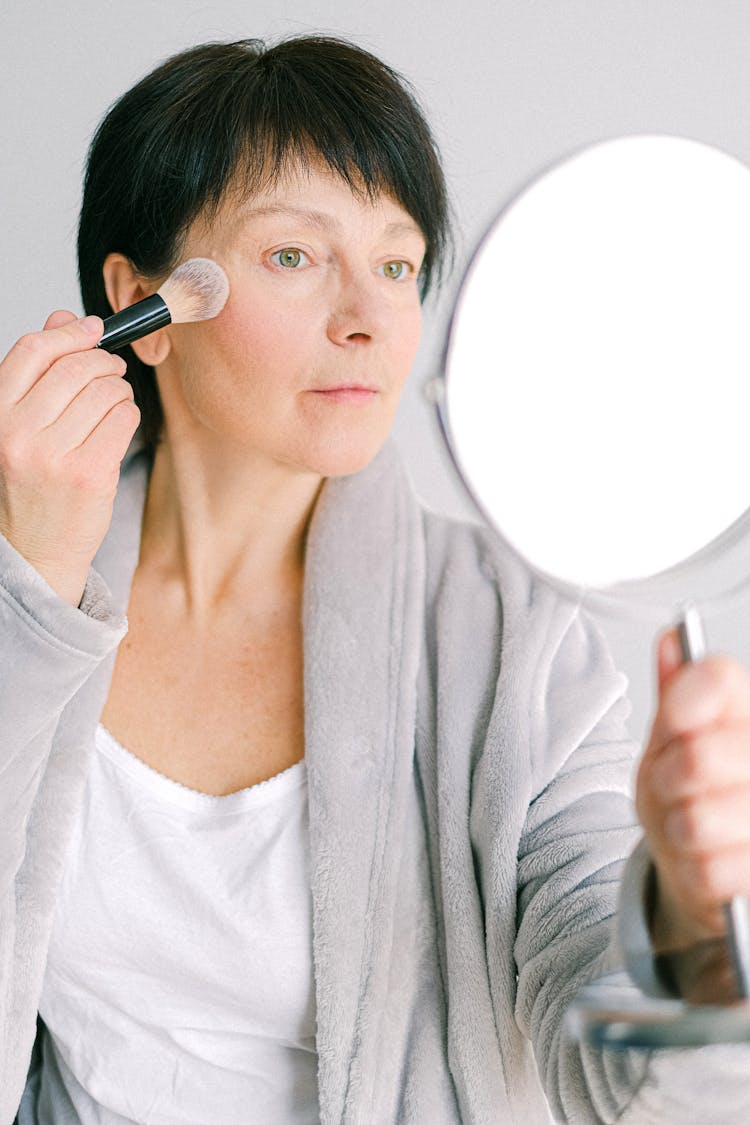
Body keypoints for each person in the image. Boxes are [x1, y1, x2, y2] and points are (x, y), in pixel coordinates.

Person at [1, 34, 750, 1125]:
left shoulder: (509, 636)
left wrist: (686, 920)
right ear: (142, 304)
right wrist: (31, 594)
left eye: (397, 264)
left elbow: (631, 1080)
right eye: (295, 256)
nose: (368, 316)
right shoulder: (26, 581)